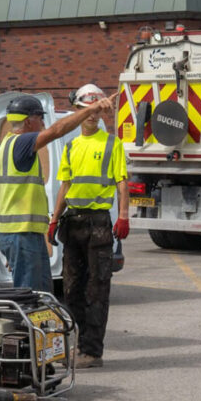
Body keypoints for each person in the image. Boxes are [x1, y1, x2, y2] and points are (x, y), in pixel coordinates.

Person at [0, 92, 116, 293]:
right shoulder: (21, 143)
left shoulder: (7, 145)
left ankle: (39, 325)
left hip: (19, 235)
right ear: (27, 122)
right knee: (31, 295)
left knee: (41, 292)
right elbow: (57, 130)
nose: (43, 122)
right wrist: (91, 109)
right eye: (39, 117)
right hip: (21, 235)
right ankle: (29, 326)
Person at [49, 84, 128, 369]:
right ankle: (79, 346)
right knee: (71, 290)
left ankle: (93, 352)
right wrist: (54, 219)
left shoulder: (112, 144)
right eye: (86, 110)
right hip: (73, 224)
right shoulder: (71, 146)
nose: (92, 117)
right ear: (79, 111)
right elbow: (65, 186)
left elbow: (122, 182)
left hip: (98, 224)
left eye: (95, 110)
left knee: (97, 289)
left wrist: (124, 215)